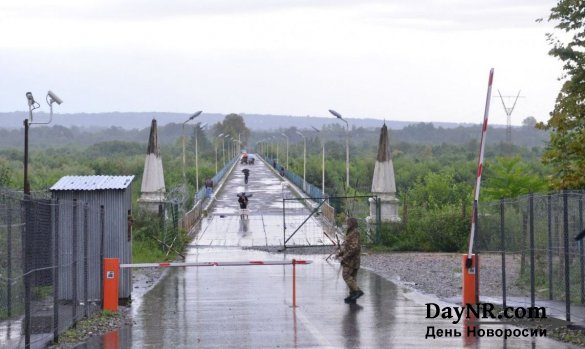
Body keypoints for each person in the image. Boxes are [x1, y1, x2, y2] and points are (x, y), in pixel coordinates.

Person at [337, 218, 364, 304]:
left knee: (346, 275)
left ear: (353, 223)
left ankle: (357, 291)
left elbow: (354, 248)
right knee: (352, 277)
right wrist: (340, 253)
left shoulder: (354, 233)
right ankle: (352, 295)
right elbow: (347, 246)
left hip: (352, 260)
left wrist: (344, 257)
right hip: (350, 259)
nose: (347, 224)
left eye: (348, 222)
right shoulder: (350, 233)